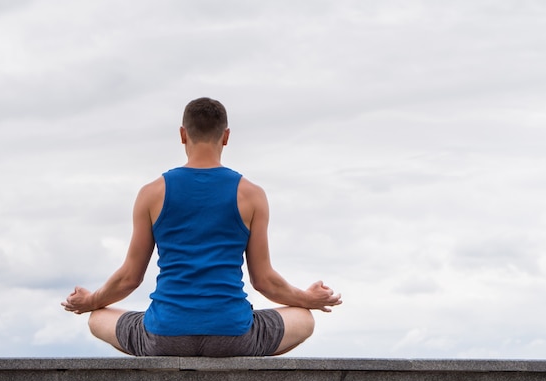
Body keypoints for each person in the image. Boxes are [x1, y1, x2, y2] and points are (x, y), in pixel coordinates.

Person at [61, 97, 342, 356]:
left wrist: (92, 301)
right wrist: (307, 298)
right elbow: (264, 281)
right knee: (304, 318)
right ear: (227, 136)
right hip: (233, 336)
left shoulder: (152, 193)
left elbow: (129, 279)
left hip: (164, 336)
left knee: (98, 317)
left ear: (183, 135)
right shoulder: (251, 194)